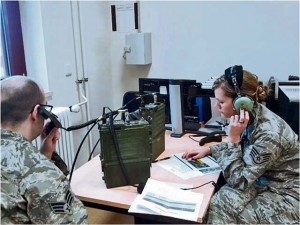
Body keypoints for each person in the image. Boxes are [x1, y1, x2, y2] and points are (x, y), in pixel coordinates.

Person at [182, 66, 299, 224]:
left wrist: (233, 139)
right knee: (220, 203)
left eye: (221, 101)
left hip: (286, 190)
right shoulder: (249, 116)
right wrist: (210, 149)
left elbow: (239, 181)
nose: (217, 106)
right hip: (262, 178)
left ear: (241, 103)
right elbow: (246, 151)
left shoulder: (269, 134)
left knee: (243, 218)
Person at [1, 76, 88, 224]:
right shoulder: (38, 170)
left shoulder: (34, 168)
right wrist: (40, 164)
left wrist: (45, 155)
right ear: (37, 112)